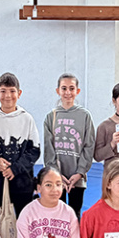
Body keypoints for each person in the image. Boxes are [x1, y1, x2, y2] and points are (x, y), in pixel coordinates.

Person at [0, 72, 40, 223]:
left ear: (19, 93)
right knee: (2, 223)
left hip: (23, 183)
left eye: (12, 91)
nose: (8, 95)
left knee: (24, 224)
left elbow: (34, 150)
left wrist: (15, 168)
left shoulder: (27, 119)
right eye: (3, 91)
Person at [42, 73, 96, 218]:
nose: (67, 92)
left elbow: (89, 146)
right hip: (57, 178)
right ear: (57, 91)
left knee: (74, 215)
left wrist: (79, 172)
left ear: (77, 91)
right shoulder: (51, 117)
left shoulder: (85, 116)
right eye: (64, 88)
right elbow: (48, 149)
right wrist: (57, 174)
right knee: (56, 215)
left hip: (77, 179)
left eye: (71, 88)